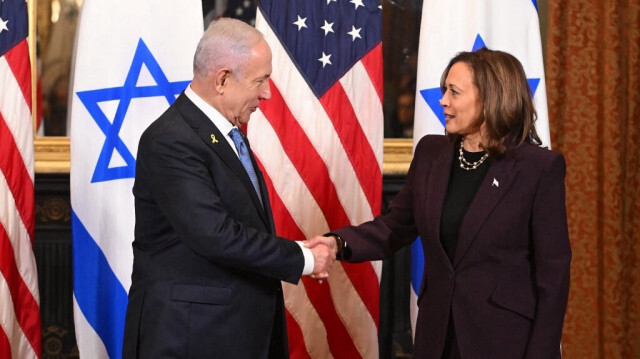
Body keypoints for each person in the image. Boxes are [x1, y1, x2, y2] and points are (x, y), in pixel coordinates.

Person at [308, 48, 572, 359]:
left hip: (505, 341)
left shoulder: (537, 168)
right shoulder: (432, 153)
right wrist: (338, 243)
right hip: (437, 335)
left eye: (454, 92)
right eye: (444, 89)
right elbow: (395, 226)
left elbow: (553, 275)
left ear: (490, 98)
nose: (443, 100)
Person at [122, 18, 335, 359]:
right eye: (260, 81)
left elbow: (239, 225)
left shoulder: (224, 131)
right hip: (191, 339)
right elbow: (216, 235)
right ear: (222, 79)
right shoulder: (171, 140)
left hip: (231, 332)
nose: (267, 93)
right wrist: (304, 257)